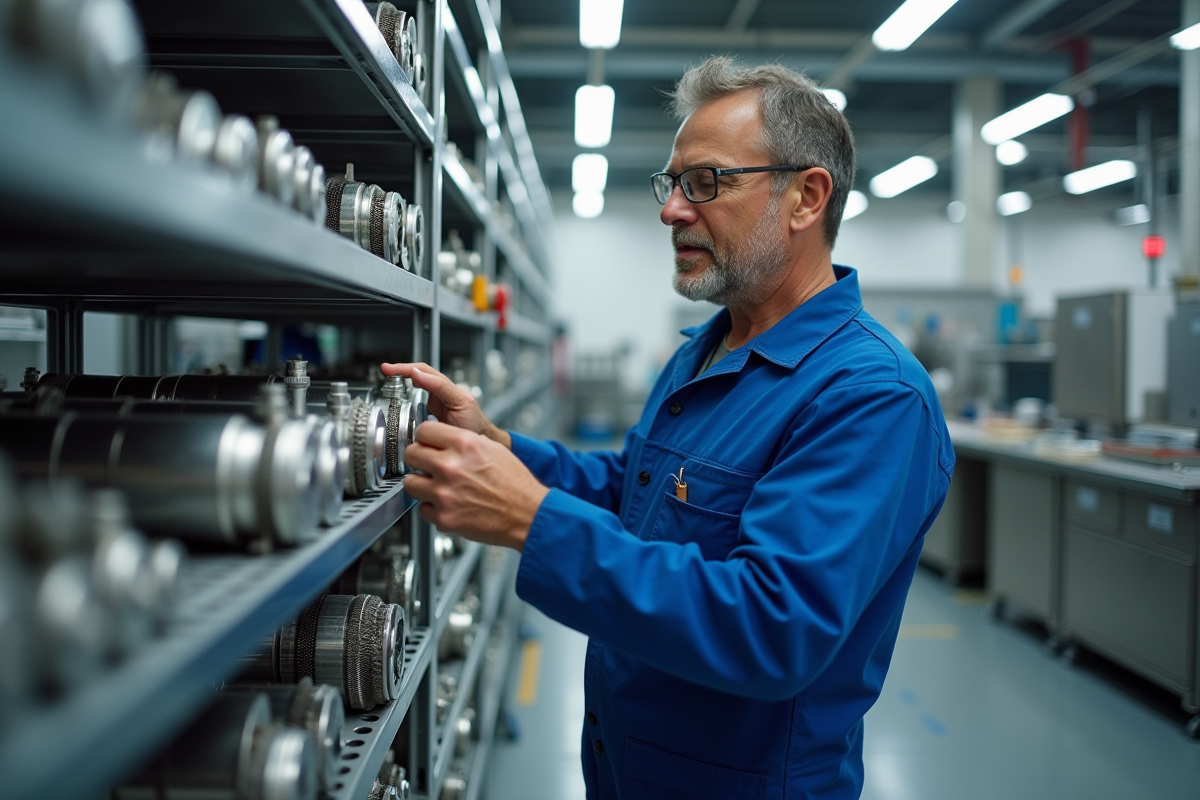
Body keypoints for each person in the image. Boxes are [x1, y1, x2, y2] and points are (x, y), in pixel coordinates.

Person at [385, 56, 954, 800]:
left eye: (706, 182)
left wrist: (535, 521)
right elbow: (634, 492)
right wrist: (500, 448)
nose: (672, 209)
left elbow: (773, 627)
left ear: (806, 198)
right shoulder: (705, 352)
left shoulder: (871, 396)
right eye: (673, 183)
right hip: (626, 764)